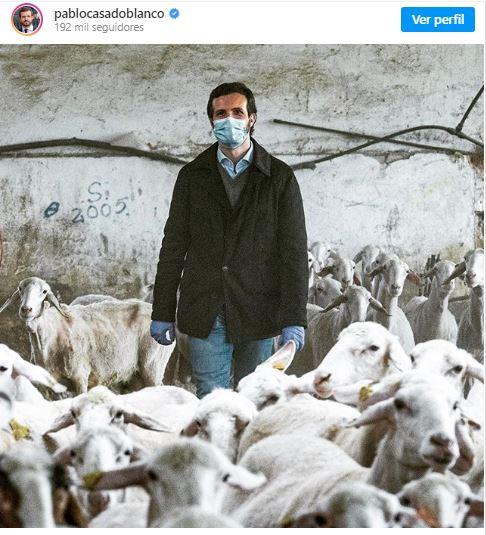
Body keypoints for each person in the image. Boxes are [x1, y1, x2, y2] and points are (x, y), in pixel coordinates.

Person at [150, 82, 308, 398]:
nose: (229, 119)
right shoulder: (193, 176)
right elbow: (173, 246)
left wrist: (294, 317)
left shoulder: (278, 178)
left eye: (238, 112)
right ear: (212, 122)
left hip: (258, 308)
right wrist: (162, 310)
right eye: (221, 114)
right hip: (206, 307)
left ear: (252, 119)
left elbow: (293, 253)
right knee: (211, 399)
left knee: (256, 396)